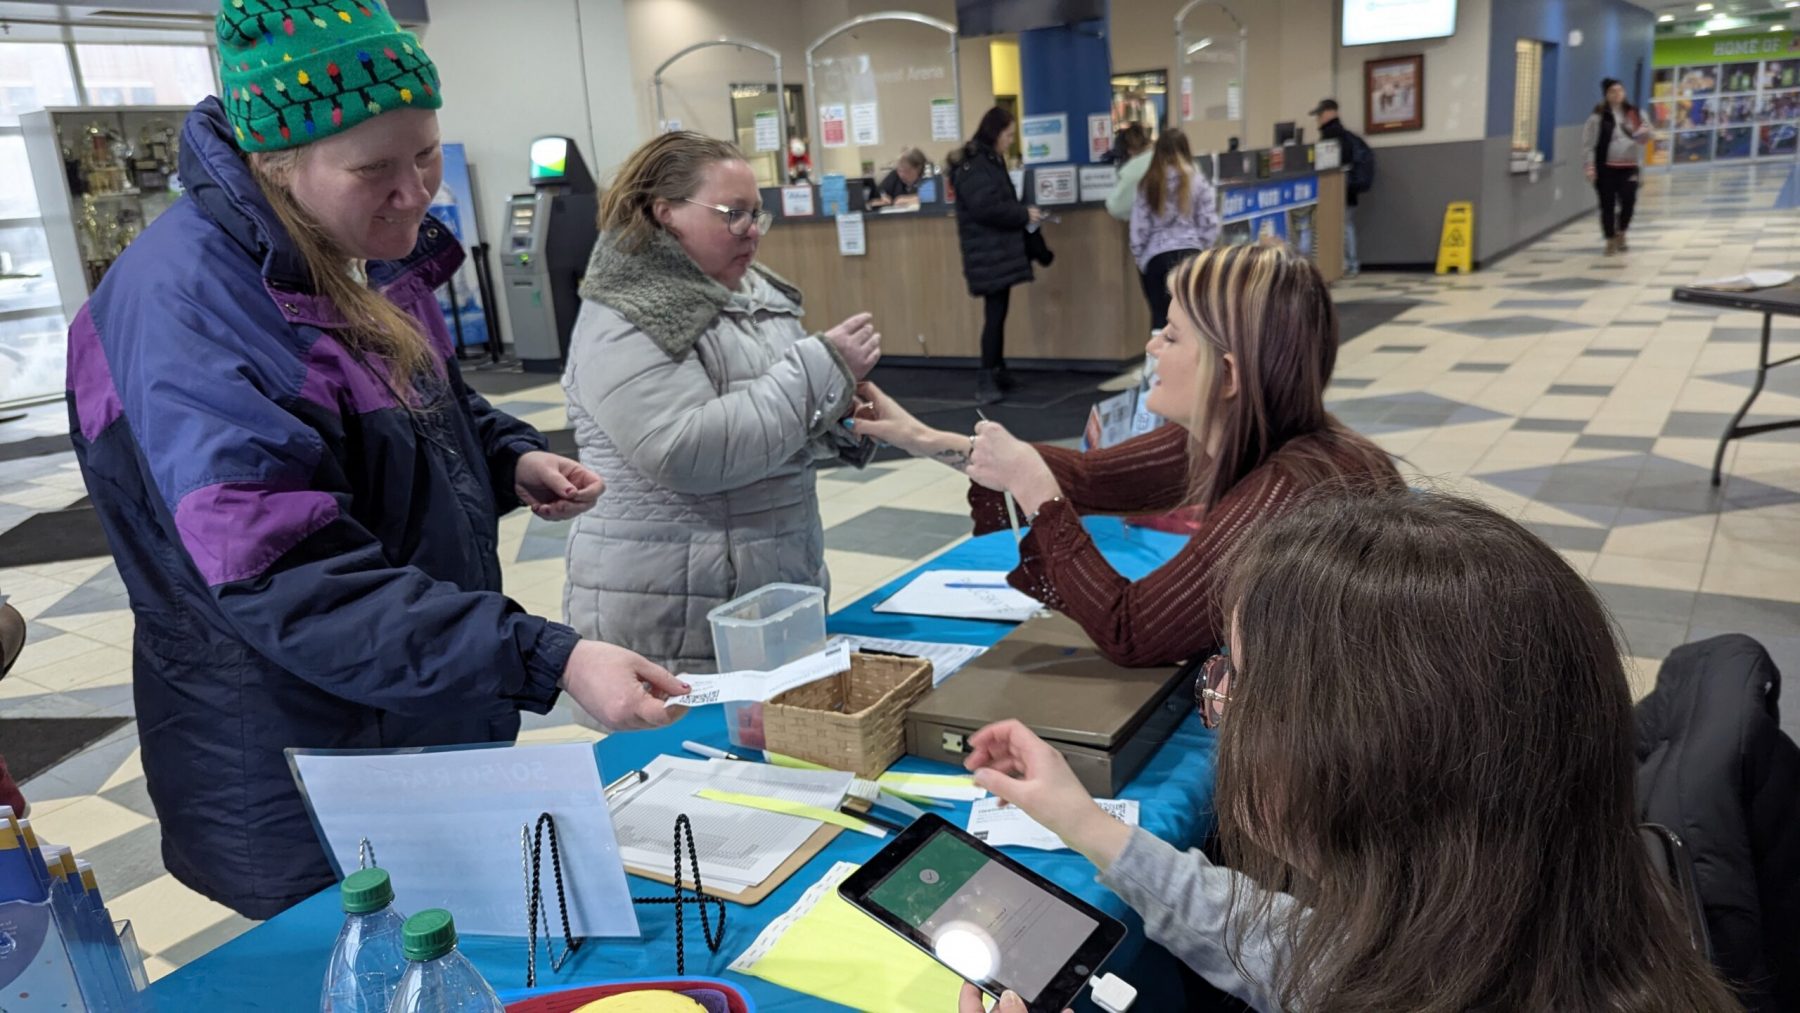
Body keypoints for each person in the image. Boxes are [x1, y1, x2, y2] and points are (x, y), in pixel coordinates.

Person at [63, 0, 687, 920]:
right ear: (274, 161)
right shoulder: (188, 310)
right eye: (374, 170)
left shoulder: (340, 247)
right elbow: (289, 576)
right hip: (298, 752)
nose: (416, 192)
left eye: (426, 154)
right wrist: (545, 657)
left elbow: (412, 397)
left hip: (406, 708)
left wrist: (504, 455)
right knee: (364, 956)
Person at [961, 489, 1743, 1012]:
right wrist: (1081, 820)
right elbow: (1289, 943)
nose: (1222, 707)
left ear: (1374, 763)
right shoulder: (1493, 930)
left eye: (1240, 679)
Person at [855, 242, 1399, 667]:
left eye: (1173, 336)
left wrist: (1041, 498)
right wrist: (920, 438)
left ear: (1227, 375)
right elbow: (1089, 477)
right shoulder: (1255, 436)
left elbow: (1131, 630)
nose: (1152, 346)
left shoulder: (1283, 499)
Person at [561, 132, 882, 674]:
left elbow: (774, 425)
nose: (752, 230)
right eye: (733, 214)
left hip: (770, 588)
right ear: (665, 213)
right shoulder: (628, 310)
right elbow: (687, 451)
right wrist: (818, 374)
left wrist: (838, 418)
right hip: (673, 612)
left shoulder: (758, 297)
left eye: (757, 214)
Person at [948, 107, 1045, 404]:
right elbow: (985, 208)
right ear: (995, 133)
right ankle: (987, 375)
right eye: (1008, 135)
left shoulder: (986, 160)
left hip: (994, 251)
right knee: (994, 314)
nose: (1011, 141)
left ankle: (996, 369)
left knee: (998, 312)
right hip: (988, 252)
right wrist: (1022, 214)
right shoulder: (978, 165)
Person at [1129, 129, 1219, 331]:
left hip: (1156, 258)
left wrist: (1141, 258)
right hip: (1190, 256)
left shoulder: (1148, 183)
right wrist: (1203, 249)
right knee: (1193, 320)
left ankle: (1157, 350)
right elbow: (1209, 223)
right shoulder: (1197, 181)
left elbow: (1139, 227)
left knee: (1160, 319)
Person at [1584, 77, 1653, 256]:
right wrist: (1590, 167)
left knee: (1629, 201)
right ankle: (1610, 239)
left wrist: (1643, 132)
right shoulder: (1597, 117)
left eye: (1620, 90)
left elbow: (1647, 137)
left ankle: (1621, 232)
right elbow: (1588, 145)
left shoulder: (1635, 113)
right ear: (1606, 95)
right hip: (1605, 168)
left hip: (1629, 167)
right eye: (1612, 91)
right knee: (1607, 205)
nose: (1617, 94)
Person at [1312, 99, 1373, 277]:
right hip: (1350, 189)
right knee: (1347, 226)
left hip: (1338, 191)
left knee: (1343, 227)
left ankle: (1348, 264)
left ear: (1328, 113)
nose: (1317, 119)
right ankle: (1349, 263)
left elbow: (1327, 166)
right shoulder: (1348, 137)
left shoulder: (1332, 136)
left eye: (1319, 115)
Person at [1104, 123, 1153, 222]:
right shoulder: (1163, 157)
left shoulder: (1131, 170)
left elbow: (1115, 207)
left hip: (1148, 226)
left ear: (1129, 150)